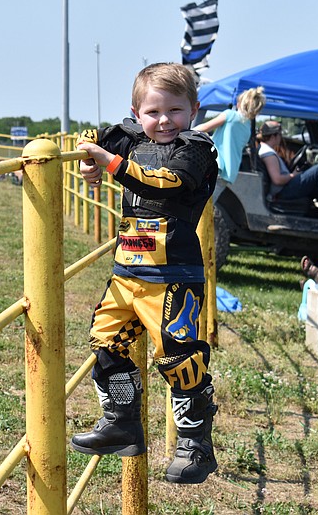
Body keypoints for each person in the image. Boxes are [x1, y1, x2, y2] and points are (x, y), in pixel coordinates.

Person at [71, 62, 219, 484]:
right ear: (136, 112)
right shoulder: (130, 136)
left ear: (193, 109)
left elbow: (166, 183)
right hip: (126, 273)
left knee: (180, 359)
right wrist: (89, 161)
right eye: (153, 112)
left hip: (175, 276)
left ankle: (195, 446)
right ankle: (121, 422)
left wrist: (111, 164)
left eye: (175, 110)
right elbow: (90, 137)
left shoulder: (196, 148)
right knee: (105, 344)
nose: (164, 120)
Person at [193, 86, 267, 201]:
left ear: (240, 103)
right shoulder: (248, 127)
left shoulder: (230, 115)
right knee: (207, 205)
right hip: (228, 173)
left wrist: (183, 133)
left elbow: (204, 127)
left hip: (216, 166)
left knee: (196, 203)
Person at [258, 120, 318, 219]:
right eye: (279, 135)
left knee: (316, 182)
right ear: (273, 137)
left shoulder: (267, 150)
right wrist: (293, 175)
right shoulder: (268, 154)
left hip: (284, 188)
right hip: (282, 192)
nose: (281, 137)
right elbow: (277, 180)